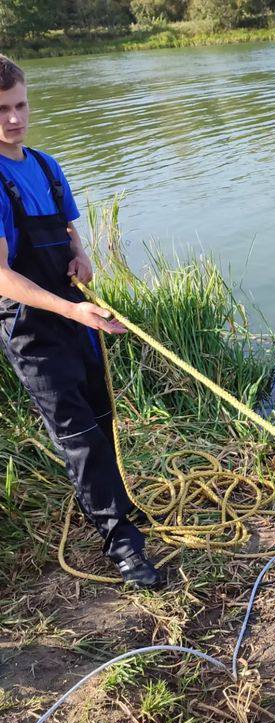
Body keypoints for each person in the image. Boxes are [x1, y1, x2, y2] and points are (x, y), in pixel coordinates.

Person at [0, 55, 161, 588]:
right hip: (32, 327)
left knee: (101, 417)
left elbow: (71, 233)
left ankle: (119, 508)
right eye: (1, 110)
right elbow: (0, 276)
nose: (14, 120)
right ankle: (122, 545)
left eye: (20, 105)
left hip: (75, 312)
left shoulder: (45, 166)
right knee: (79, 437)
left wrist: (83, 256)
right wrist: (70, 308)